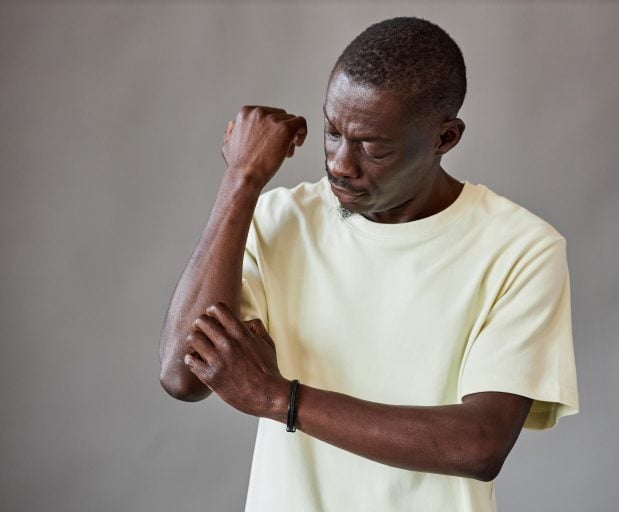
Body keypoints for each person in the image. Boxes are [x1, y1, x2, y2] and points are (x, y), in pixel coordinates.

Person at [159, 17, 578, 512]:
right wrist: (242, 180)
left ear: (446, 137)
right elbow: (182, 376)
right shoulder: (280, 220)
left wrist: (278, 398)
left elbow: (478, 444)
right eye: (332, 132)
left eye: (372, 147)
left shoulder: (520, 249)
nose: (340, 163)